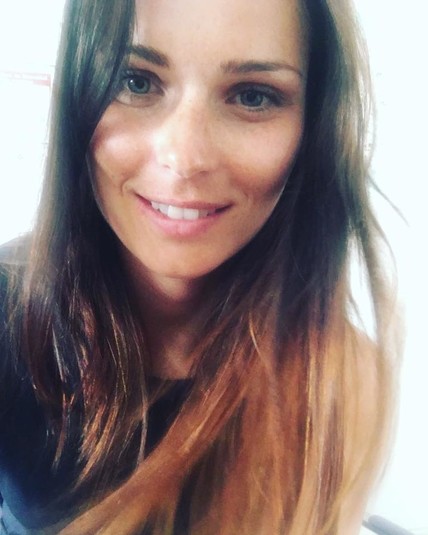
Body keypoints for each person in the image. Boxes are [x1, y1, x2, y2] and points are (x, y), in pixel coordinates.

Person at [0, 0, 399, 533]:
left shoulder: (341, 381)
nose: (184, 158)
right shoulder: (7, 306)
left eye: (253, 96)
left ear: (311, 130)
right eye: (136, 82)